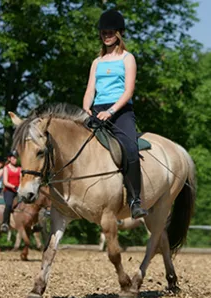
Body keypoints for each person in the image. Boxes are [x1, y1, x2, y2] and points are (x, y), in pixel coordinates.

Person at [82, 9, 148, 219]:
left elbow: (128, 90)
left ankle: (135, 200)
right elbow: (90, 89)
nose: (107, 35)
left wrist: (110, 111)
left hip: (120, 111)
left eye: (110, 32)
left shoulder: (128, 59)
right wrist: (86, 109)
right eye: (104, 32)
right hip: (97, 110)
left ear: (119, 33)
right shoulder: (96, 62)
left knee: (129, 147)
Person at [0, 150, 21, 233]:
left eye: (16, 158)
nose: (15, 159)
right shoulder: (6, 168)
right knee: (8, 204)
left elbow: (21, 179)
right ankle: (5, 223)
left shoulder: (20, 168)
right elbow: (5, 182)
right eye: (13, 157)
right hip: (9, 191)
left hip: (19, 191)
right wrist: (14, 187)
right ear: (9, 158)